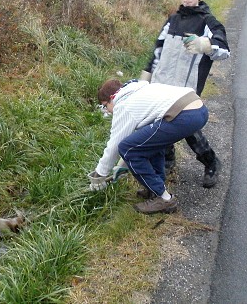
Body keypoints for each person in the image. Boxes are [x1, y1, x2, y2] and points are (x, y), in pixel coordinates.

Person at [139, 0, 230, 188]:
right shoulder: (172, 20)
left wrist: (206, 46)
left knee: (186, 128)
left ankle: (211, 162)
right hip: (162, 85)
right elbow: (158, 50)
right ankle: (168, 165)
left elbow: (224, 49)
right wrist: (146, 74)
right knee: (162, 123)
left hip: (186, 90)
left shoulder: (207, 21)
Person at [88, 79, 209, 214]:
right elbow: (142, 140)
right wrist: (120, 166)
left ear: (112, 98)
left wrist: (99, 174)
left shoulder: (123, 105)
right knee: (149, 144)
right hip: (199, 109)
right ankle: (155, 188)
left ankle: (164, 199)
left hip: (186, 116)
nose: (107, 111)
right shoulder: (138, 90)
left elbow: (115, 146)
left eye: (105, 106)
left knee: (127, 148)